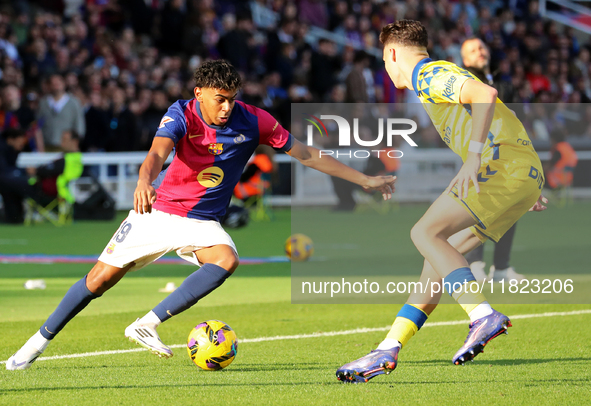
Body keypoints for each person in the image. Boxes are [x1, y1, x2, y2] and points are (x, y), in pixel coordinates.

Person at [6, 60, 395, 370]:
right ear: (199, 94)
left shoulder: (255, 120)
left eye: (231, 98)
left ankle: (147, 323)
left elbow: (306, 153)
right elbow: (157, 153)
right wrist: (145, 180)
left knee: (226, 259)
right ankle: (33, 346)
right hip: (158, 211)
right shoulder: (182, 114)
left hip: (202, 221)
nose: (226, 106)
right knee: (99, 280)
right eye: (219, 99)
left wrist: (364, 180)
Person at [336, 20, 547, 383]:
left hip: (501, 164)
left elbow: (486, 94)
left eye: (385, 62)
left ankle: (482, 315)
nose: (387, 71)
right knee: (437, 258)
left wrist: (475, 157)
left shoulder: (427, 74)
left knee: (424, 233)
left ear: (391, 53)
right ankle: (390, 346)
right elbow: (502, 114)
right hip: (519, 171)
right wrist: (524, 182)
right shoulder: (435, 76)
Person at [460, 37, 524, 283]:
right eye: (473, 50)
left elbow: (518, 116)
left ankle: (501, 268)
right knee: (478, 206)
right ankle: (475, 263)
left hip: (506, 152)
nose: (480, 52)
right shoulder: (464, 82)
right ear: (465, 59)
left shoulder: (504, 83)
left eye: (481, 47)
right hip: (478, 151)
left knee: (510, 207)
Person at [36, 74, 86, 151]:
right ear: (49, 86)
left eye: (58, 83)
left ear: (64, 84)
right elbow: (38, 126)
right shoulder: (43, 103)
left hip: (67, 147)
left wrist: (76, 143)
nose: (56, 86)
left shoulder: (74, 102)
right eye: (53, 84)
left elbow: (79, 124)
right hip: (47, 146)